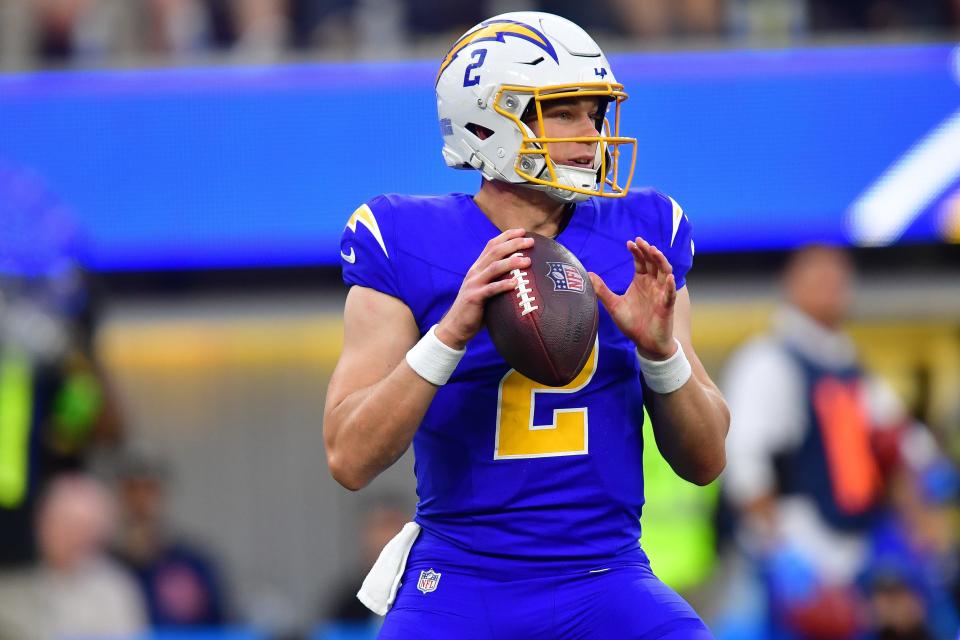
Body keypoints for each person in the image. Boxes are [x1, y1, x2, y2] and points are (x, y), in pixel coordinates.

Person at [323, 11, 729, 639]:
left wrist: (661, 353)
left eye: (595, 114)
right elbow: (348, 456)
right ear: (486, 118)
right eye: (564, 112)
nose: (591, 134)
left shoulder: (644, 234)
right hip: (461, 580)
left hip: (608, 576)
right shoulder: (405, 238)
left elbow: (706, 459)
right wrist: (451, 333)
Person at [721, 244, 940, 638]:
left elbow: (910, 447)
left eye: (840, 281)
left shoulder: (850, 366)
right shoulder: (768, 361)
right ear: (791, 286)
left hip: (860, 554)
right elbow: (746, 467)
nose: (833, 290)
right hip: (795, 552)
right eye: (819, 280)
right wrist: (783, 555)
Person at [0, 473, 147, 639]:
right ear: (40, 525)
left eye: (79, 528)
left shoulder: (116, 592)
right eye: (59, 523)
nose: (68, 536)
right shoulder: (10, 590)